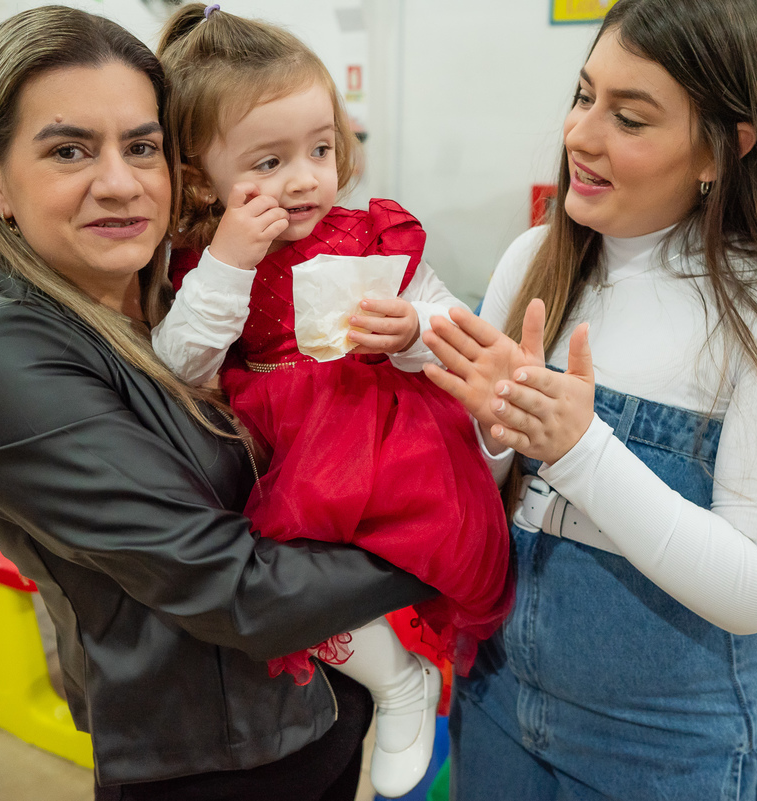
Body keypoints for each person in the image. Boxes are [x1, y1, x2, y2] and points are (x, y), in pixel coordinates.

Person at [0, 7, 439, 801]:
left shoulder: (180, 289)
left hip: (322, 709)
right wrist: (446, 526)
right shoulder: (9, 365)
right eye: (69, 149)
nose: (119, 181)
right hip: (213, 764)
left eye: (141, 147)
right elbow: (234, 588)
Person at [421, 0, 757, 799]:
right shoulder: (536, 259)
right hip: (495, 699)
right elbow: (486, 503)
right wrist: (492, 435)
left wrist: (581, 449)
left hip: (671, 750)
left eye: (630, 119)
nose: (580, 136)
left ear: (724, 148)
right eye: (584, 95)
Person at [149, 6, 511, 796]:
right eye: (268, 161)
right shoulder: (200, 263)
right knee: (291, 590)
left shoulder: (369, 233)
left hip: (391, 437)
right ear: (197, 175)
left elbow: (454, 322)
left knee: (418, 557)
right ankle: (396, 680)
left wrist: (412, 327)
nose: (305, 176)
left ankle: (417, 675)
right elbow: (180, 361)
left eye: (319, 148)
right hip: (297, 458)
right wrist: (230, 260)